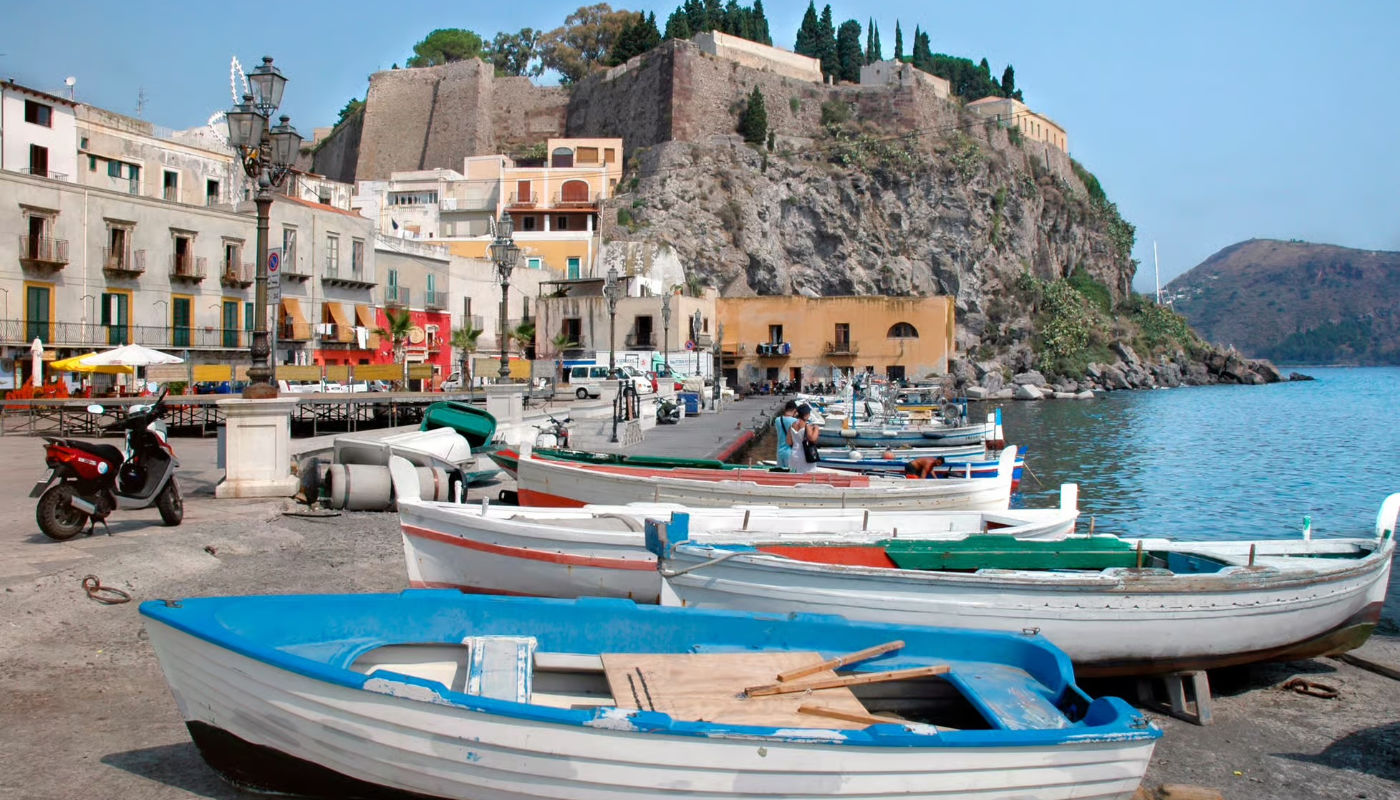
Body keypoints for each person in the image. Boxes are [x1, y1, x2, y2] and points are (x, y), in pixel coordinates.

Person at [789, 403, 819, 474]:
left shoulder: (792, 425)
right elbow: (812, 438)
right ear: (805, 415)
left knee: (795, 475)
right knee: (808, 475)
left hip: (794, 454)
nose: (809, 416)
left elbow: (789, 441)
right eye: (809, 414)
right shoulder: (807, 426)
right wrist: (816, 429)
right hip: (805, 455)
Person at [773, 400, 799, 469]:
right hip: (790, 451)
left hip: (779, 451)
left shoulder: (777, 420)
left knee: (780, 472)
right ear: (794, 410)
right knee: (790, 472)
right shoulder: (795, 421)